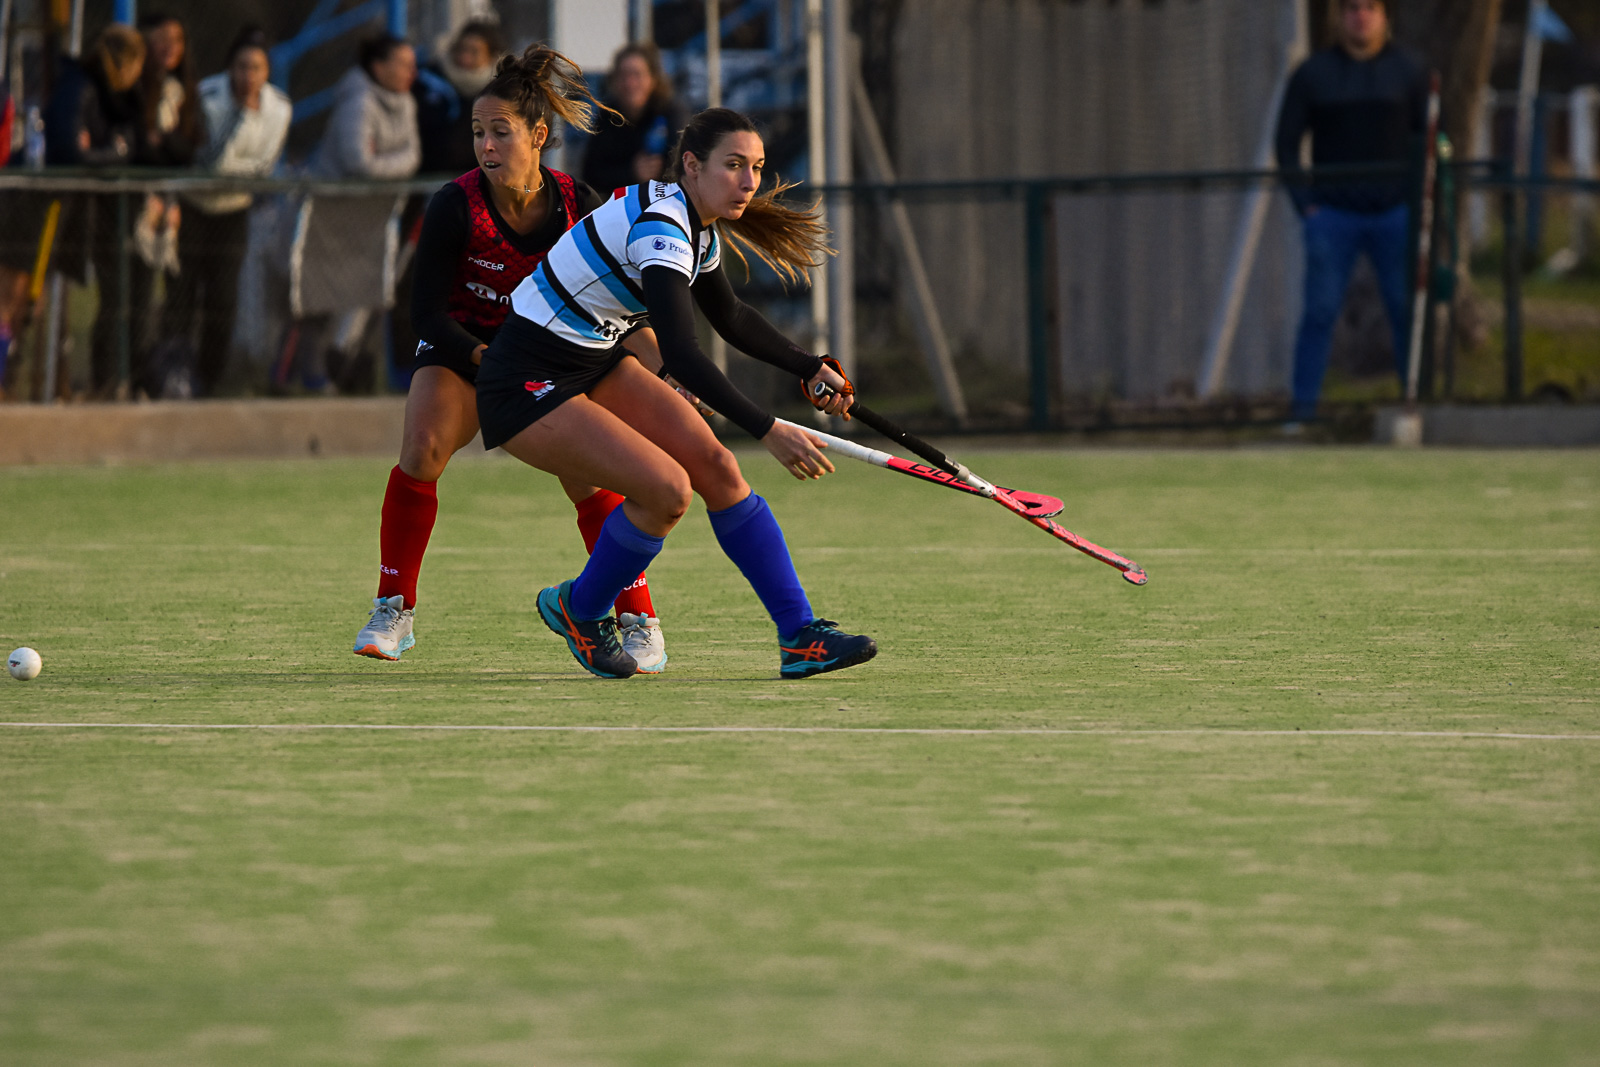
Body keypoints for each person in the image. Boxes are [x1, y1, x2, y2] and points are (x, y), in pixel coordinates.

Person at [477, 106, 876, 680]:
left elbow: (732, 317)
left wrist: (808, 365)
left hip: (593, 359)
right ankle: (581, 608)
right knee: (667, 492)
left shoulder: (696, 224)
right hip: (523, 378)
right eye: (733, 165)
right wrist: (768, 428)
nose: (748, 182)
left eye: (757, 168)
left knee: (717, 466)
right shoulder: (663, 226)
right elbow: (684, 354)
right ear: (691, 165)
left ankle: (799, 636)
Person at [352, 44, 671, 673]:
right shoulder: (454, 204)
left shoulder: (580, 204)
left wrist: (671, 373)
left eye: (501, 132)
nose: (486, 146)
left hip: (551, 360)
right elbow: (425, 316)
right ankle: (394, 607)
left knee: (590, 475)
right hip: (462, 349)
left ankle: (637, 617)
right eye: (478, 133)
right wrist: (483, 354)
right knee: (421, 450)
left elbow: (623, 311)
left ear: (540, 135)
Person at [1275, 0, 1428, 425]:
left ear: (1385, 16)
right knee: (1320, 311)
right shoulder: (1313, 74)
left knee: (1403, 309)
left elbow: (1432, 141)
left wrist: (1419, 200)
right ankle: (1301, 414)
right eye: (1352, 8)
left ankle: (1416, 406)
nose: (1361, 16)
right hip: (1333, 216)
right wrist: (1307, 207)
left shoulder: (1409, 71)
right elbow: (1286, 143)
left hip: (1394, 215)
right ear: (1340, 18)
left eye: (1370, 8)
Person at [283, 34, 421, 394]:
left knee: (372, 294)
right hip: (330, 214)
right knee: (318, 295)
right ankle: (299, 377)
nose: (412, 72)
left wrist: (387, 163)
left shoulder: (405, 102)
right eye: (403, 64)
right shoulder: (358, 100)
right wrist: (396, 164)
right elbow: (358, 162)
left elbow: (413, 157)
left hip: (372, 218)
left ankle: (345, 373)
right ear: (378, 67)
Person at [161, 27, 290, 396]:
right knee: (182, 295)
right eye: (241, 66)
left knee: (222, 300)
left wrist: (237, 173)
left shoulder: (279, 108)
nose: (248, 76)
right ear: (230, 68)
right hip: (193, 206)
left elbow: (264, 168)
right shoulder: (206, 97)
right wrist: (242, 119)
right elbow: (211, 161)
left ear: (267, 71)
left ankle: (209, 381)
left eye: (257, 67)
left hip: (233, 210)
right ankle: (173, 375)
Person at [43, 23, 146, 396]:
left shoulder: (116, 96)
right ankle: (42, 381)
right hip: (62, 206)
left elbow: (128, 148)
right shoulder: (81, 85)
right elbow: (71, 151)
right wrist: (110, 153)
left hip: (96, 209)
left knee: (101, 296)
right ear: (126, 62)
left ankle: (81, 381)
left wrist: (102, 152)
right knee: (44, 295)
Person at [580, 42, 688, 196]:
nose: (630, 83)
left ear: (653, 79)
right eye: (623, 75)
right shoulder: (607, 116)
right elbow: (591, 173)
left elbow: (686, 166)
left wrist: (660, 171)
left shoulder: (671, 112)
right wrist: (631, 173)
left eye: (637, 75)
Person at [414, 20, 502, 175]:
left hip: (483, 179)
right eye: (461, 49)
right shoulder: (428, 82)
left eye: (474, 52)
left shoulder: (502, 90)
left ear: (491, 56)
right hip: (430, 179)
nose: (465, 57)